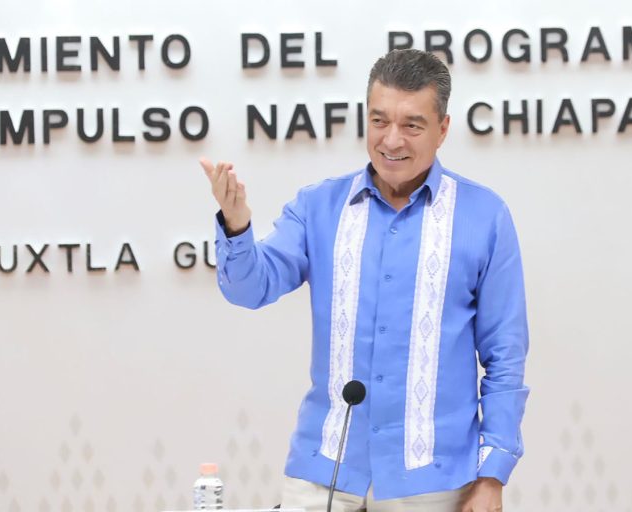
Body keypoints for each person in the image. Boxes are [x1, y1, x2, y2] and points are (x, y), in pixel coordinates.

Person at [200, 49, 529, 512]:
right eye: (379, 121)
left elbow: (505, 356)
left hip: (433, 482)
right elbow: (250, 289)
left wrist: (492, 474)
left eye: (412, 125)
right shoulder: (318, 206)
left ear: (443, 129)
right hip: (325, 475)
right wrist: (236, 227)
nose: (391, 139)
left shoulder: (485, 216)